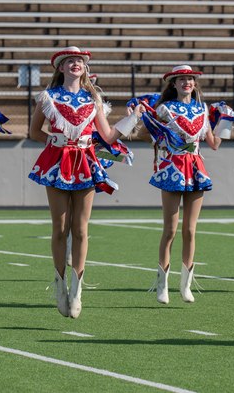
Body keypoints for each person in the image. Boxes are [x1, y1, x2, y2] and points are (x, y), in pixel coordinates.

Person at [28, 46, 142, 319]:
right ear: (61, 67)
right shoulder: (48, 97)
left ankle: (77, 290)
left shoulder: (93, 99)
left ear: (85, 68)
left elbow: (109, 135)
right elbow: (33, 131)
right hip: (57, 162)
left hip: (86, 163)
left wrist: (133, 117)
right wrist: (54, 141)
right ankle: (59, 286)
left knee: (80, 229)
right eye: (70, 61)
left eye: (79, 61)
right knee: (60, 227)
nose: (75, 64)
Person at [143, 65, 222, 304]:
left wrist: (228, 122)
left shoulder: (202, 109)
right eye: (182, 79)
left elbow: (214, 143)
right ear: (174, 84)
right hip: (173, 167)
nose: (187, 82)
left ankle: (186, 284)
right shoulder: (165, 109)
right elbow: (153, 135)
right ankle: (162, 284)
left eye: (190, 79)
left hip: (196, 167)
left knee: (190, 230)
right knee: (170, 230)